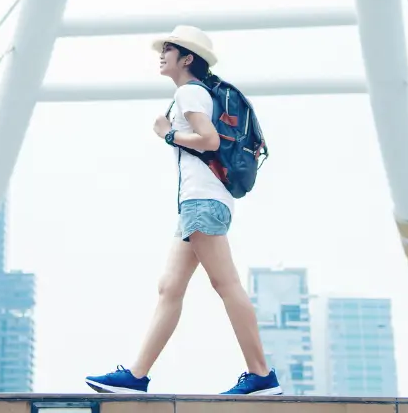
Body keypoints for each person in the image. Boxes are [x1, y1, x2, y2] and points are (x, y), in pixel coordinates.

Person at [85, 26, 281, 396]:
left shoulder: (190, 92)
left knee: (226, 284)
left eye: (169, 49)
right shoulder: (197, 92)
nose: (161, 54)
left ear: (187, 58)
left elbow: (208, 140)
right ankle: (137, 375)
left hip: (202, 201)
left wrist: (167, 134)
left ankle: (261, 376)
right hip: (200, 201)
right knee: (169, 287)